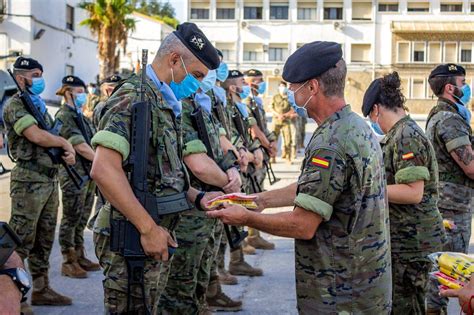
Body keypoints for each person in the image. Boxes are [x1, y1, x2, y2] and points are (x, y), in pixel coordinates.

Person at [207, 41, 392, 314]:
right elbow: (315, 189)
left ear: (313, 87)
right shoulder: (352, 126)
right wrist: (258, 201)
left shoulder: (331, 142)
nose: (291, 93)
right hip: (363, 283)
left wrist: (246, 218)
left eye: (294, 87)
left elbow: (303, 225)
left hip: (340, 292)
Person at [90, 23, 222, 313]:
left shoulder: (163, 101)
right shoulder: (134, 98)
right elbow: (103, 169)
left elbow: (163, 173)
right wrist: (148, 228)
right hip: (131, 233)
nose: (198, 85)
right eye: (197, 75)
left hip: (152, 229)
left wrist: (197, 197)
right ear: (174, 60)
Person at [362, 72, 446, 314]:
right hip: (407, 239)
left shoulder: (406, 136)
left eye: (370, 116)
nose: (372, 121)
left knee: (407, 306)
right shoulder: (399, 134)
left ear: (376, 110)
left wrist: (368, 190)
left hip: (412, 243)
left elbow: (413, 192)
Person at [159, 70, 242, 314]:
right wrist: (228, 182)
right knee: (180, 287)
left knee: (199, 277)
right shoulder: (178, 107)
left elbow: (220, 143)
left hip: (209, 203)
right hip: (190, 207)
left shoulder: (199, 104)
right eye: (198, 73)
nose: (202, 80)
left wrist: (232, 167)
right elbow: (197, 164)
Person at [3, 56, 76, 308]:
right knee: (20, 240)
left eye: (40, 74)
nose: (39, 80)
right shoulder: (15, 105)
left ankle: (42, 289)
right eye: (34, 75)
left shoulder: (39, 106)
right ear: (20, 77)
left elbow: (53, 132)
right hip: (28, 181)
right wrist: (64, 144)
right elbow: (34, 135)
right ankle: (14, 297)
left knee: (44, 238)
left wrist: (67, 147)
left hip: (47, 179)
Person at [425, 63, 474, 315]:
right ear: (449, 88)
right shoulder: (449, 120)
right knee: (445, 275)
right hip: (451, 207)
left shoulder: (443, 116)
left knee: (444, 275)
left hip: (450, 205)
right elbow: (470, 166)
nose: (466, 89)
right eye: (463, 84)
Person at [55, 75, 100, 279]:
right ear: (68, 92)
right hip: (74, 175)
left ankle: (80, 254)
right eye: (80, 93)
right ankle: (68, 260)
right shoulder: (64, 116)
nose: (83, 96)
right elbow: (81, 147)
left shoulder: (81, 115)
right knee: (71, 218)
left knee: (82, 217)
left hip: (87, 175)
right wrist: (103, 164)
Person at [220, 69, 265, 275]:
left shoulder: (237, 105)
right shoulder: (220, 104)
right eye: (241, 82)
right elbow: (226, 134)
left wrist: (253, 148)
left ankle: (238, 258)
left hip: (240, 161)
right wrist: (241, 152)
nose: (245, 85)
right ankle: (223, 270)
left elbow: (243, 131)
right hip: (229, 165)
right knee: (221, 227)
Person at [271, 81, 296, 163]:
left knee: (287, 140)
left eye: (284, 86)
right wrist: (278, 115)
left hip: (286, 121)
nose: (282, 88)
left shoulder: (290, 97)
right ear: (278, 87)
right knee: (273, 140)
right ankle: (273, 157)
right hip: (276, 121)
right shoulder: (275, 97)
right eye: (281, 86)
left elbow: (293, 109)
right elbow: (271, 107)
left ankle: (288, 158)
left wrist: (284, 115)